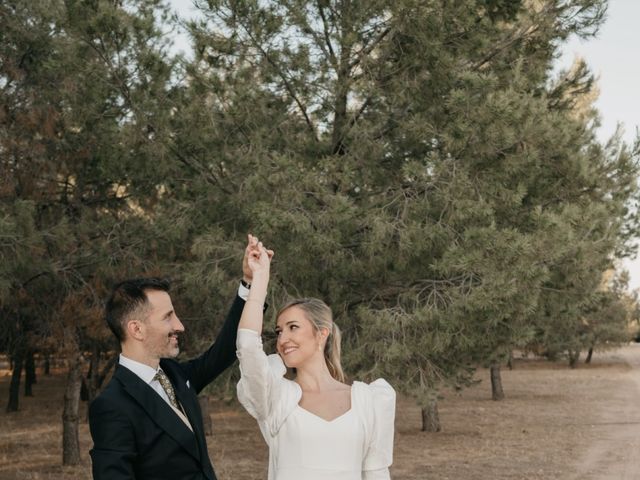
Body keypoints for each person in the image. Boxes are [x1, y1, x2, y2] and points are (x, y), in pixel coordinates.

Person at [89, 236, 265, 480]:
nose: (180, 325)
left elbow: (223, 352)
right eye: (167, 317)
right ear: (136, 329)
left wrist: (249, 282)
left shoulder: (175, 374)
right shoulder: (112, 406)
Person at [236, 237, 396, 480]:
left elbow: (377, 475)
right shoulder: (276, 397)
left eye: (293, 327)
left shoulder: (368, 401)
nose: (282, 339)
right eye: (279, 331)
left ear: (321, 334)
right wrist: (259, 282)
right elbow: (248, 346)